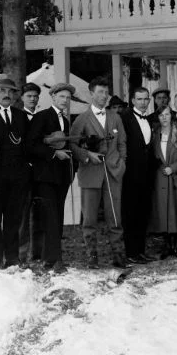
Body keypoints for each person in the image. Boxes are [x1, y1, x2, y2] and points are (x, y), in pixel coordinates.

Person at [70, 77, 129, 269]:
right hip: (90, 173)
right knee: (89, 218)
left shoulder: (115, 117)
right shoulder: (82, 119)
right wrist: (87, 155)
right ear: (91, 94)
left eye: (106, 92)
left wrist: (121, 163)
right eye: (100, 92)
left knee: (115, 216)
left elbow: (122, 143)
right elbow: (72, 144)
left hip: (113, 173)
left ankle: (119, 256)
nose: (104, 96)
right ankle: (92, 257)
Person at [25, 83, 76, 274]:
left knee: (58, 216)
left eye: (68, 98)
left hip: (61, 176)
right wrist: (54, 154)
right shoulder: (42, 117)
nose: (65, 100)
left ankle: (52, 258)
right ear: (53, 97)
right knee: (51, 217)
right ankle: (52, 260)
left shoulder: (66, 121)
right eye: (62, 97)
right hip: (45, 177)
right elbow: (31, 145)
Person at [0, 74, 30, 268]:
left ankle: (12, 257)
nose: (6, 95)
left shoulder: (20, 116)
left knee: (13, 218)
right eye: (2, 91)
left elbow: (25, 144)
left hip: (17, 176)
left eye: (10, 91)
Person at [149, 106, 177, 259]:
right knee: (163, 211)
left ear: (172, 116)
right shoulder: (154, 133)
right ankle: (166, 246)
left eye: (167, 114)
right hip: (160, 177)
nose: (164, 118)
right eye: (161, 115)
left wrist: (173, 168)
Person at [120, 87, 155, 264]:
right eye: (139, 99)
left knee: (143, 213)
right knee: (131, 213)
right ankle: (131, 252)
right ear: (132, 100)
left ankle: (140, 251)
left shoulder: (149, 120)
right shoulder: (124, 118)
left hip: (147, 175)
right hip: (130, 175)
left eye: (145, 99)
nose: (143, 102)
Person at [18, 81, 41, 263]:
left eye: (35, 96)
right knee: (22, 214)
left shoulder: (43, 118)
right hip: (23, 173)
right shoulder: (17, 117)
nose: (32, 99)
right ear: (22, 98)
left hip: (41, 173)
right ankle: (21, 254)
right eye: (29, 96)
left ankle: (37, 253)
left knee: (39, 214)